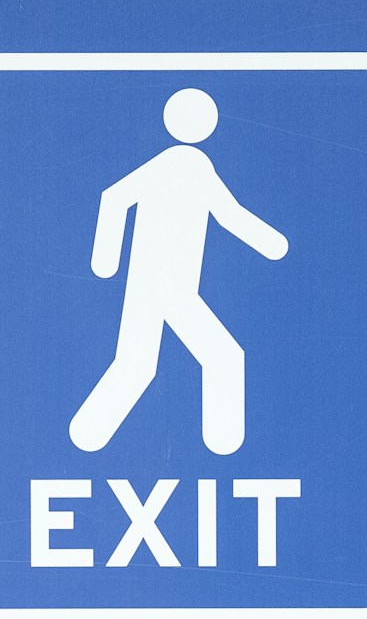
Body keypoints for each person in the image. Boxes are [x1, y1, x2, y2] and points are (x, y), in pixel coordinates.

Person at [71, 87, 288, 456]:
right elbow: (115, 198)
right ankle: (223, 443)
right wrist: (104, 262)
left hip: (155, 286)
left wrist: (271, 244)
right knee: (222, 356)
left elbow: (226, 214)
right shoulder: (180, 164)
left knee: (136, 365)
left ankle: (89, 434)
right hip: (169, 288)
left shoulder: (190, 166)